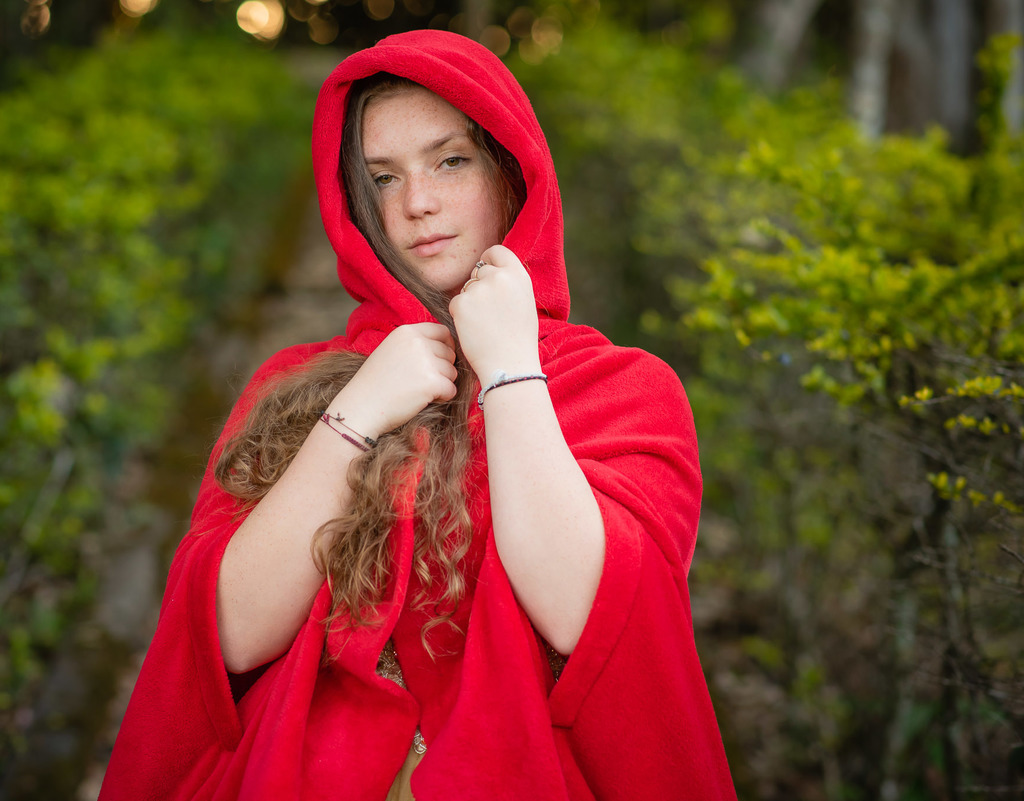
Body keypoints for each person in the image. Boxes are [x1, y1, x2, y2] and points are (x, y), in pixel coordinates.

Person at [99, 30, 736, 801]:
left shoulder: (623, 387)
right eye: (382, 178)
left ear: (510, 170)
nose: (417, 204)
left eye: (449, 160)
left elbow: (587, 616)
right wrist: (356, 412)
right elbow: (228, 634)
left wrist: (508, 368)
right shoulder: (294, 383)